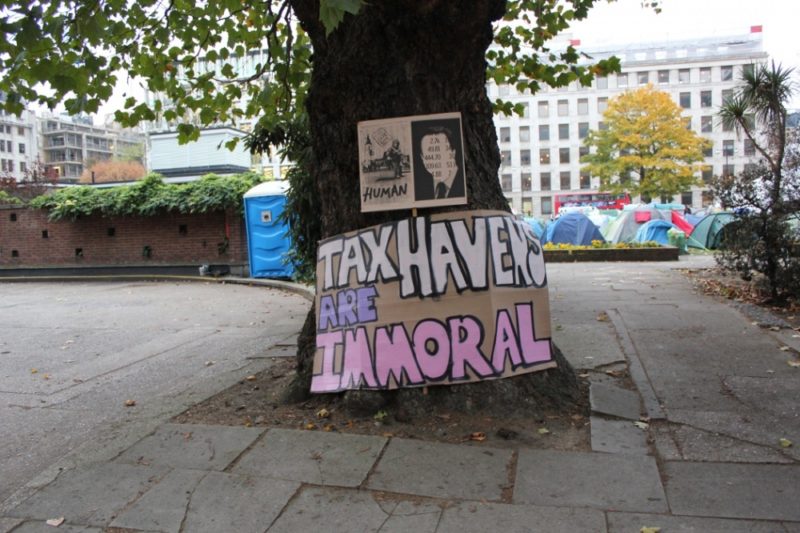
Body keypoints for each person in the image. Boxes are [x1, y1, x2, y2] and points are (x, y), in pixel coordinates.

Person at [413, 124, 465, 201]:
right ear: (422, 158)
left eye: (442, 152)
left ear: (453, 153)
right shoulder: (419, 187)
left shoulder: (466, 181)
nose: (436, 158)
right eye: (430, 154)